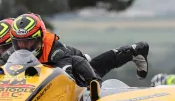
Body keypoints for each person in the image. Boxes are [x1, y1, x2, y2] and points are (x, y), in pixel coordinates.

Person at [4, 13, 149, 85]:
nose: (23, 47)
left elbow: (66, 78)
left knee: (83, 77)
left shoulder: (55, 50)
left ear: (40, 38)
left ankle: (135, 51)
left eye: (29, 42)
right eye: (19, 43)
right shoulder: (11, 53)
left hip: (77, 66)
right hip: (44, 73)